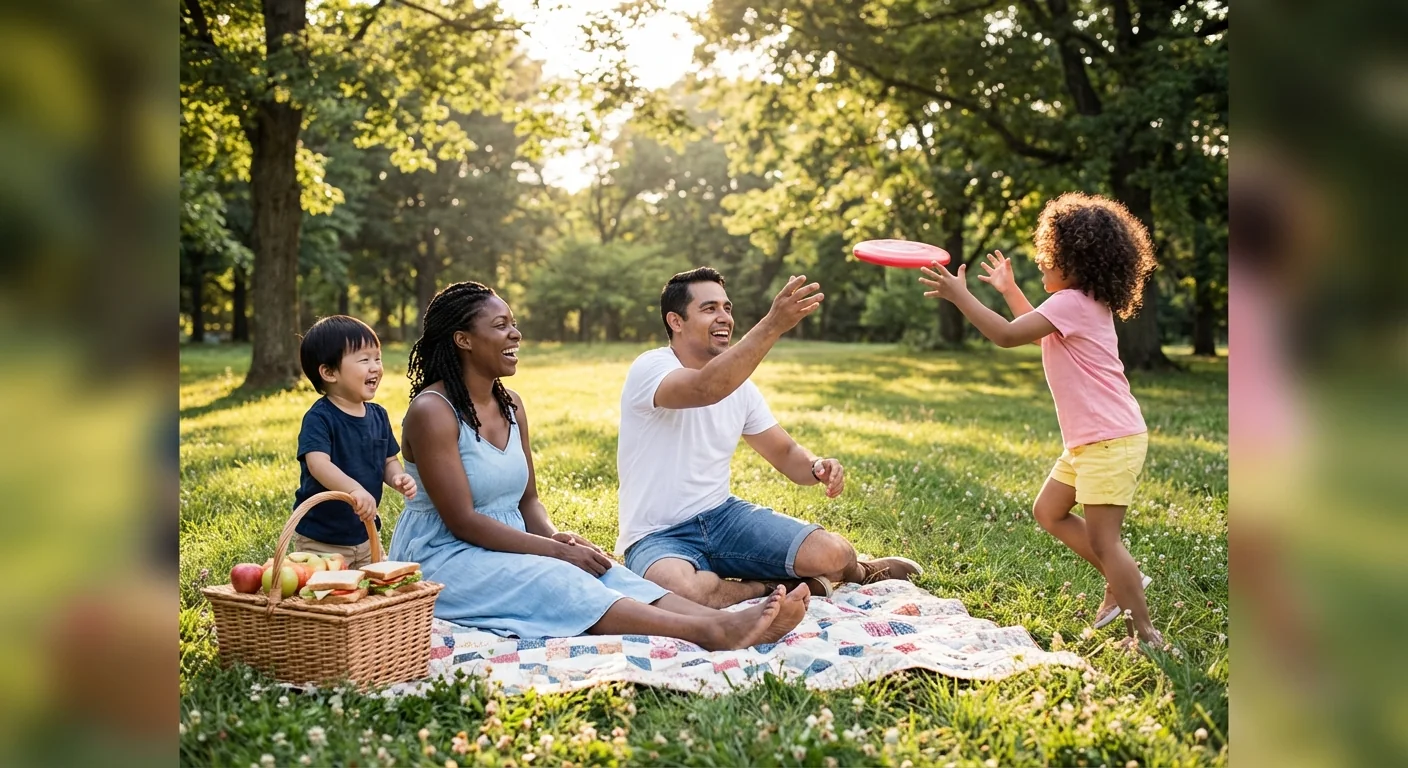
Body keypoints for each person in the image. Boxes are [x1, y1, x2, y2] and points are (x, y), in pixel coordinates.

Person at [388, 281, 806, 650]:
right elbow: (462, 521)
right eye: (500, 326)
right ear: (462, 339)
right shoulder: (432, 411)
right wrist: (553, 553)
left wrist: (559, 538)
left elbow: (528, 500)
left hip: (509, 542)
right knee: (561, 580)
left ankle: (726, 620)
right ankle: (709, 634)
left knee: (609, 573)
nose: (515, 333)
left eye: (513, 322)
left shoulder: (511, 404)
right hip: (444, 557)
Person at [917, 192, 1164, 648]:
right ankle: (1119, 579)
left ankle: (1145, 633)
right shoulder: (1080, 303)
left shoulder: (1073, 303)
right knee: (1048, 512)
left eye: (1049, 258)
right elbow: (1033, 330)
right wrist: (1009, 289)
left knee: (1108, 542)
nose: (1041, 263)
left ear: (1075, 264)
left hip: (1108, 441)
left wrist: (961, 295)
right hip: (1094, 441)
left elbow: (1008, 335)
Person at [617, 267, 924, 609]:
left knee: (832, 553)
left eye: (727, 308)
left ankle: (861, 571)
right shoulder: (651, 368)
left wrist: (817, 465)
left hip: (723, 518)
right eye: (709, 309)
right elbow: (704, 388)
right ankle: (766, 588)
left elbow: (787, 453)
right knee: (682, 591)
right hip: (656, 535)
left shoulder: (741, 388)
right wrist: (773, 323)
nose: (724, 318)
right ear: (675, 321)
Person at [291, 315, 418, 568]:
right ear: (329, 372)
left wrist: (397, 478)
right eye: (364, 359)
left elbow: (388, 460)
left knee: (371, 596)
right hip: (321, 540)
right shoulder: (320, 417)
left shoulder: (378, 415)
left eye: (377, 358)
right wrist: (354, 490)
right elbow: (318, 464)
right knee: (326, 598)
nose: (375, 367)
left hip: (365, 533)